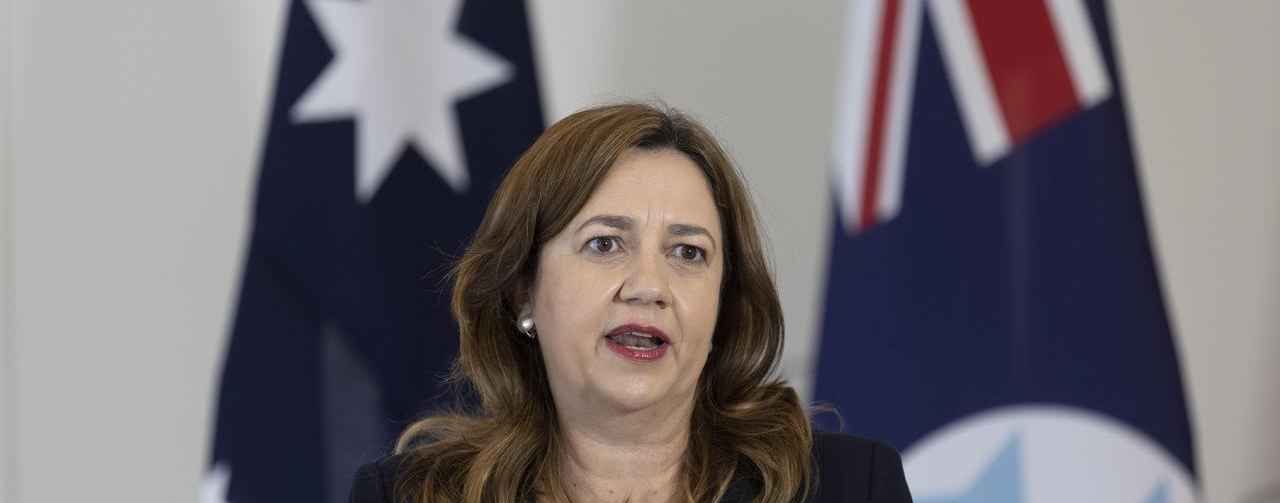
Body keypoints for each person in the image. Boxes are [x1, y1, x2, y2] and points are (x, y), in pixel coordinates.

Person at [349, 103, 912, 503]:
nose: (649, 285)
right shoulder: (406, 494)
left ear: (722, 302)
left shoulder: (846, 487)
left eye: (688, 253)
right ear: (524, 287)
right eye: (604, 244)